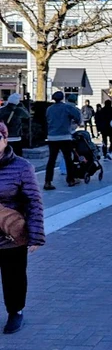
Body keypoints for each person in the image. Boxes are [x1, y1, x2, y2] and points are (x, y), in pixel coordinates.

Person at [0, 121, 45, 334]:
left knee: (14, 276)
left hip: (11, 234)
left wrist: (35, 235)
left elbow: (33, 202)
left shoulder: (21, 167)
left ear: (5, 139)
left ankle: (15, 312)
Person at [44, 91, 82, 190]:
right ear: (62, 98)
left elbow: (47, 119)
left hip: (52, 137)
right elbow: (77, 116)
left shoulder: (49, 109)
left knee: (51, 160)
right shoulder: (67, 107)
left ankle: (48, 181)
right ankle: (70, 179)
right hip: (65, 136)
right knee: (68, 159)